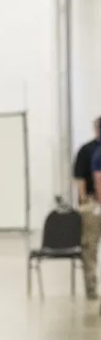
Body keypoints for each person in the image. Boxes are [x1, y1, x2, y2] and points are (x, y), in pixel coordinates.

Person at [75, 118, 101, 300]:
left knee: (90, 246)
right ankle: (91, 286)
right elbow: (80, 178)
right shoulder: (87, 150)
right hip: (93, 203)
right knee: (90, 245)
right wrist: (84, 200)